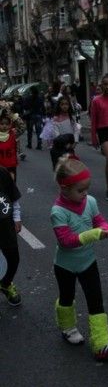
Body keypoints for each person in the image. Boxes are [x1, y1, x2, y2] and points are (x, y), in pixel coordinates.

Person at [50, 156, 108, 360]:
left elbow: (98, 219)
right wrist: (94, 234)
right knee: (67, 297)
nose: (85, 194)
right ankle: (67, 327)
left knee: (96, 300)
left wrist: (104, 226)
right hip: (65, 265)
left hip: (88, 262)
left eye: (87, 189)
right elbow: (66, 241)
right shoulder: (58, 212)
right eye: (80, 190)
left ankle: (101, 342)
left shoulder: (90, 201)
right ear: (64, 189)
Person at [0, 166, 22, 306]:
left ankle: (6, 283)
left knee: (13, 259)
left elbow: (13, 197)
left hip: (5, 226)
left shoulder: (2, 173)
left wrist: (17, 216)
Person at [0, 109, 18, 181]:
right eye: (2, 124)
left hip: (10, 166)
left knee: (10, 187)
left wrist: (13, 116)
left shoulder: (13, 134)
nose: (4, 126)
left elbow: (22, 126)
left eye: (7, 124)